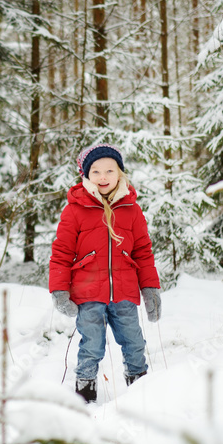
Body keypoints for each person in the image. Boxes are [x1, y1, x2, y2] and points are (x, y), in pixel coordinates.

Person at [49, 143, 162, 403]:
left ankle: (141, 394)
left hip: (124, 291)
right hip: (88, 293)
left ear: (120, 174)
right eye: (96, 172)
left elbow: (143, 252)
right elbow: (62, 253)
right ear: (86, 176)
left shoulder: (131, 210)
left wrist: (150, 289)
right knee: (91, 346)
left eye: (110, 171)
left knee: (135, 344)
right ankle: (85, 398)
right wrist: (59, 289)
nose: (103, 177)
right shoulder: (75, 210)